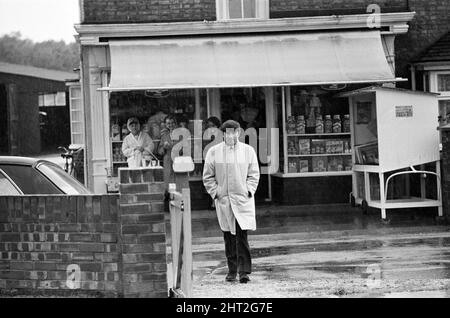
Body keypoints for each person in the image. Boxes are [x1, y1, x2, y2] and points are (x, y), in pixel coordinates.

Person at [202, 120, 260, 284]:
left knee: (242, 236)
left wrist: (248, 190)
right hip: (224, 200)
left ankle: (244, 272)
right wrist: (216, 192)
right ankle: (232, 270)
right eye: (226, 132)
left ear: (238, 132)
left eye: (233, 132)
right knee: (228, 237)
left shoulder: (248, 151)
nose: (230, 135)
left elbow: (254, 173)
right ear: (222, 134)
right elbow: (208, 176)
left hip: (242, 200)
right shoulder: (214, 152)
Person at [158, 114, 177, 189]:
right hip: (167, 160)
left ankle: (180, 199)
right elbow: (160, 151)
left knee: (179, 180)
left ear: (175, 123)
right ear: (166, 125)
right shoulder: (164, 136)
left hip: (178, 159)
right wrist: (164, 148)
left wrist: (172, 146)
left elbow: (185, 148)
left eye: (172, 123)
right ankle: (169, 198)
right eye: (168, 123)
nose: (171, 125)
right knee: (168, 181)